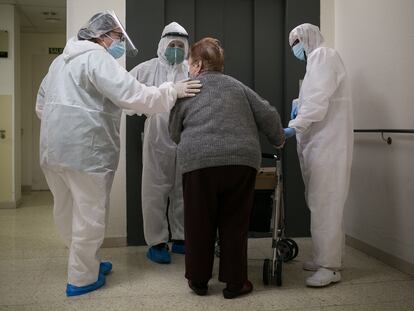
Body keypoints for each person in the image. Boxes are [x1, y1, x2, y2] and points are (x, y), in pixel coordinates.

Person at [35, 10, 201, 297]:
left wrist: (65, 124)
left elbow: (41, 105)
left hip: (53, 148)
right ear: (103, 35)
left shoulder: (59, 62)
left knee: (65, 210)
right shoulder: (96, 58)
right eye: (118, 37)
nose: (119, 43)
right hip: (86, 152)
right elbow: (135, 95)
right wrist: (171, 91)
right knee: (89, 216)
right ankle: (83, 278)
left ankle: (86, 263)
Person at [169, 37, 285, 299]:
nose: (188, 67)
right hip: (240, 163)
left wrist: (190, 139)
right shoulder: (240, 88)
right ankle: (235, 283)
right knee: (235, 224)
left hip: (198, 163)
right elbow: (269, 115)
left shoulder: (187, 89)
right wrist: (278, 139)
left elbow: (173, 132)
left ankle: (198, 281)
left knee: (198, 222)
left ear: (198, 64)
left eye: (189, 62)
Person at [284, 23, 353, 287]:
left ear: (308, 38)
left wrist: (294, 126)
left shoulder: (324, 56)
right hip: (319, 143)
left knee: (326, 203)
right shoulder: (315, 61)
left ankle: (330, 267)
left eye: (296, 43)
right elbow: (312, 97)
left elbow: (316, 101)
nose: (295, 49)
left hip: (329, 144)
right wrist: (297, 108)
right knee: (320, 202)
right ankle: (325, 256)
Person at [129, 22, 188, 264]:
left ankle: (183, 237)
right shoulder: (145, 69)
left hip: (186, 133)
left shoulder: (191, 69)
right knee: (154, 189)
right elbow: (125, 95)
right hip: (156, 134)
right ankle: (157, 242)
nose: (176, 49)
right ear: (163, 45)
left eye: (180, 45)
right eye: (172, 44)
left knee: (184, 188)